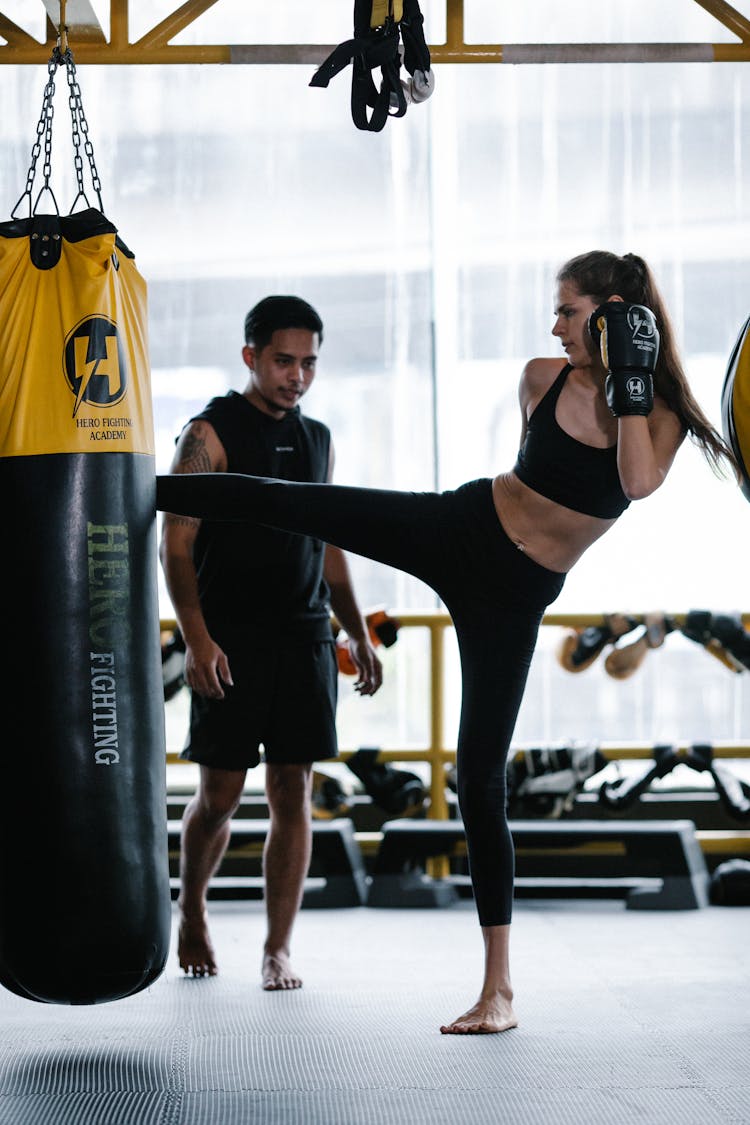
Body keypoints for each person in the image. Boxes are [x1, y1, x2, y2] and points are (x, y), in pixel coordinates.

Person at [156, 252, 735, 1031]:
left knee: (477, 779)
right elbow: (540, 476)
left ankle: (498, 991)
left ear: (610, 313)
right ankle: (133, 485)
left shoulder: (657, 414)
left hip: (514, 598)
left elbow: (633, 481)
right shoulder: (542, 377)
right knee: (304, 506)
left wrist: (632, 373)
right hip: (463, 529)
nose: (553, 325)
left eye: (567, 310)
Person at [159, 295, 383, 990]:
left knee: (295, 789)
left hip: (305, 635)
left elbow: (330, 542)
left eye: (309, 363)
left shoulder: (317, 438)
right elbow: (175, 543)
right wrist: (196, 640)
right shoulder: (211, 432)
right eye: (284, 361)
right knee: (221, 794)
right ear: (251, 355)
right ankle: (191, 908)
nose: (298, 376)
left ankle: (276, 947)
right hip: (230, 640)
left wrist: (354, 628)